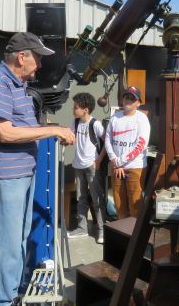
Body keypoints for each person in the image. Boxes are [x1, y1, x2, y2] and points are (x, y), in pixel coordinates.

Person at [0, 31, 75, 306]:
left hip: (21, 173)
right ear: (22, 57)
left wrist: (47, 129)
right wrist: (53, 129)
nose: (40, 66)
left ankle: (10, 296)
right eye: (38, 59)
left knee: (18, 242)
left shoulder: (16, 84)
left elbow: (21, 127)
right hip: (6, 176)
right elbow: (6, 133)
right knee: (7, 247)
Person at [105, 86, 151, 219]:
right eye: (126, 97)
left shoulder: (142, 118)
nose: (128, 100)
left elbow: (141, 145)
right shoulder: (115, 117)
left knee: (136, 205)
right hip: (116, 167)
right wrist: (115, 161)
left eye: (132, 98)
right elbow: (108, 140)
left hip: (135, 167)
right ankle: (123, 236)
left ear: (138, 103)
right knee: (119, 205)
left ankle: (135, 237)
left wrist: (120, 162)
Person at [67, 92, 106, 244]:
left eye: (76, 107)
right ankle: (82, 229)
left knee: (97, 198)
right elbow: (71, 138)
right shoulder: (75, 122)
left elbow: (106, 142)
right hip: (78, 165)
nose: (73, 110)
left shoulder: (95, 124)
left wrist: (98, 160)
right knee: (80, 198)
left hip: (91, 166)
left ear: (86, 109)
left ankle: (102, 230)